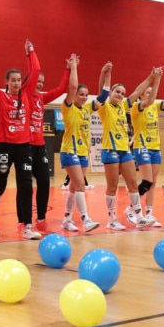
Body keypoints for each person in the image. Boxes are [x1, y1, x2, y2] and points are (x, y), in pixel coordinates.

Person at [0, 40, 40, 240]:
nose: (17, 83)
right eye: (13, 80)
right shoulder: (0, 97)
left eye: (19, 80)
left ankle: (27, 226)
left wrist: (29, 52)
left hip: (24, 147)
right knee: (0, 184)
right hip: (5, 147)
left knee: (26, 185)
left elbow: (36, 71)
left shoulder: (26, 94)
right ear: (7, 82)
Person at [95, 62, 155, 231]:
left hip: (125, 151)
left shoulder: (123, 106)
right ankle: (112, 219)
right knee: (112, 186)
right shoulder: (104, 107)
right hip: (110, 150)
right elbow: (101, 90)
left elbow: (137, 91)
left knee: (133, 184)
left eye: (122, 93)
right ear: (111, 93)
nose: (120, 95)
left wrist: (151, 77)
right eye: (117, 92)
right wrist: (105, 74)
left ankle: (140, 217)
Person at [28, 44, 69, 233]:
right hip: (25, 146)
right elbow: (34, 70)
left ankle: (41, 219)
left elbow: (62, 89)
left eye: (42, 82)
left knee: (44, 181)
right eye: (37, 80)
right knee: (26, 185)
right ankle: (25, 221)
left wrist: (68, 68)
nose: (40, 83)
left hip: (40, 146)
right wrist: (30, 53)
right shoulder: (26, 95)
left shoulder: (41, 99)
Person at [58, 54, 101, 233]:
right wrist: (74, 66)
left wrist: (106, 75)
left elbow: (103, 96)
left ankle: (66, 219)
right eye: (80, 95)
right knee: (80, 184)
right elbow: (73, 85)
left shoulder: (87, 109)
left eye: (85, 95)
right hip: (69, 151)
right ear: (74, 95)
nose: (83, 97)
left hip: (83, 153)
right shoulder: (68, 107)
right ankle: (86, 219)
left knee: (74, 188)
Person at [131, 66, 164, 228]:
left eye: (151, 92)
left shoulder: (155, 107)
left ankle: (149, 213)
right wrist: (156, 78)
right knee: (147, 180)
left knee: (153, 182)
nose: (151, 95)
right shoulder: (136, 108)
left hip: (155, 147)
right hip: (141, 146)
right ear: (141, 95)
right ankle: (132, 209)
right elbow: (150, 100)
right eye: (147, 92)